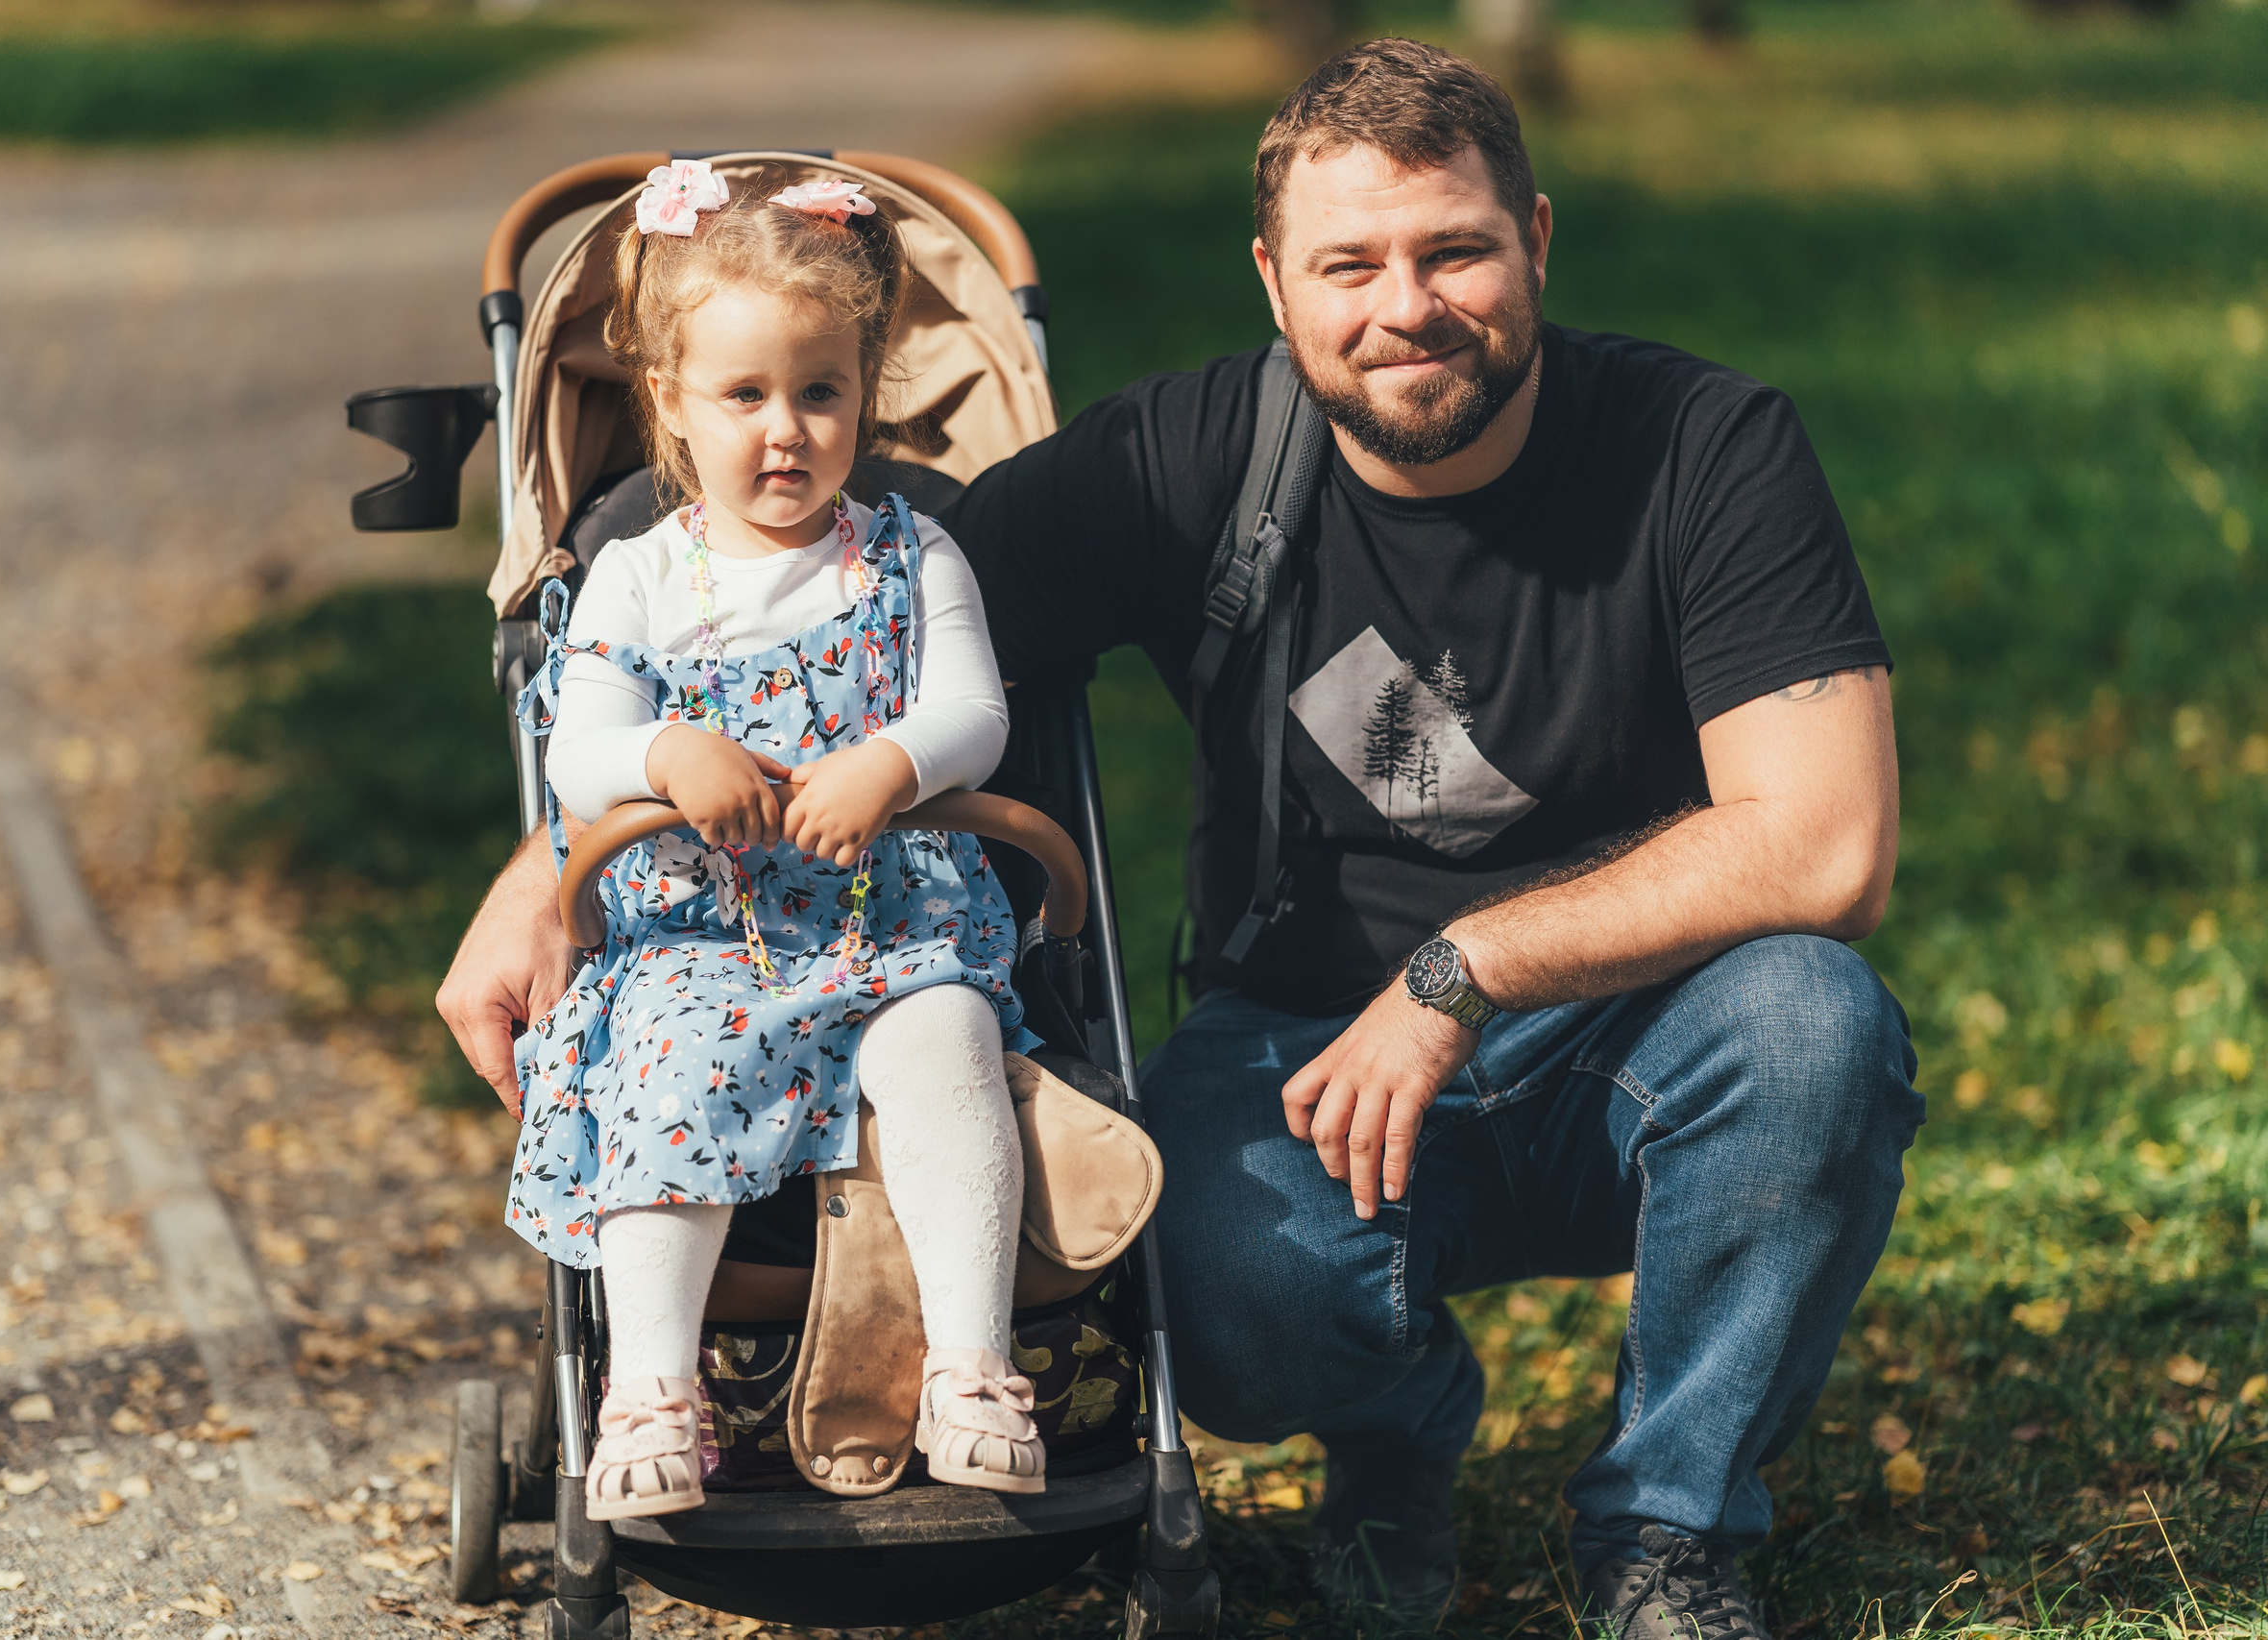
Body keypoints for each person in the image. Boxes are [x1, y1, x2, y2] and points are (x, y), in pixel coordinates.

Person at [442, 45, 1921, 1638]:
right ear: (1275, 281)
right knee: (1216, 1280)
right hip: (1298, 1033)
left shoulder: (1705, 448)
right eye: (1350, 263)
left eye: (1456, 251)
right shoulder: (1185, 463)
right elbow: (840, 652)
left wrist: (1462, 968)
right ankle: (1398, 1429)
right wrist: (551, 867)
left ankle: (1669, 1533)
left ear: (1538, 244)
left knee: (1815, 1031)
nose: (1406, 306)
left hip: (1635, 1020)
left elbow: (1827, 847)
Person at [505, 165, 1044, 1520]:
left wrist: (892, 759)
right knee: (665, 1067)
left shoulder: (914, 559)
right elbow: (580, 753)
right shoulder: (641, 573)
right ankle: (649, 1387)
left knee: (949, 1050)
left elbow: (974, 713)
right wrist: (666, 754)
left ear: (870, 395)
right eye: (744, 397)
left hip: (891, 918)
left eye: (821, 392)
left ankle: (974, 1368)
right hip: (705, 929)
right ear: (673, 408)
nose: (787, 431)